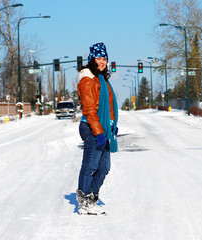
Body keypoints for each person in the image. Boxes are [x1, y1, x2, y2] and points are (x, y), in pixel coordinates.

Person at [76, 42, 118, 215]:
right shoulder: (88, 79)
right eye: (99, 58)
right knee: (90, 166)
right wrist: (99, 131)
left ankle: (91, 197)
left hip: (103, 127)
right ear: (92, 59)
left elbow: (108, 106)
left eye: (104, 58)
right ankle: (84, 202)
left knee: (104, 168)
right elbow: (90, 109)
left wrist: (112, 124)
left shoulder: (101, 79)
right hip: (91, 126)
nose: (102, 62)